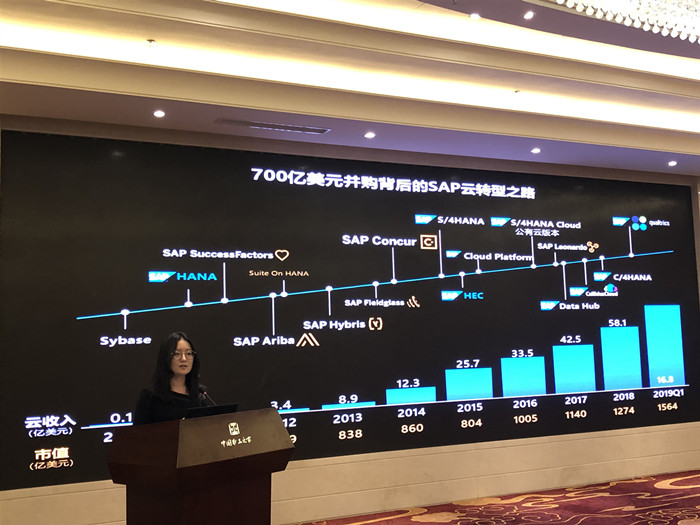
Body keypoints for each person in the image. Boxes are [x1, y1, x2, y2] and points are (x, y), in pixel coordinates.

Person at [134, 331, 207, 424]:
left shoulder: (199, 395)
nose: (184, 359)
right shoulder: (150, 398)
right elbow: (138, 432)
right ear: (166, 358)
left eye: (188, 353)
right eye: (177, 354)